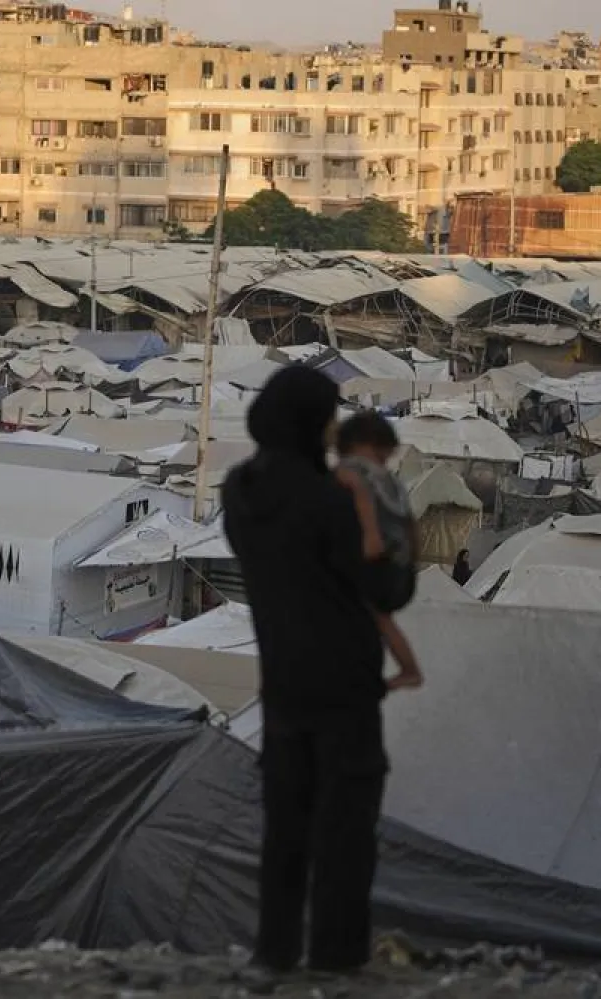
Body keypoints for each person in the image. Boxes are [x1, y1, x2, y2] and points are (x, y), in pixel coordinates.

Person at [221, 366, 422, 980]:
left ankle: (274, 954)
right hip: (344, 691)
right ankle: (336, 962)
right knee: (344, 836)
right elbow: (385, 590)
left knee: (286, 831)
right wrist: (389, 527)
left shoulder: (239, 492)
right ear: (311, 422)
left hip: (281, 684)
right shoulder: (331, 500)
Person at [331, 411, 422, 692]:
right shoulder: (393, 481)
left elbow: (360, 495)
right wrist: (413, 562)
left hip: (380, 562)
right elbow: (411, 524)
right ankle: (409, 670)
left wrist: (370, 536)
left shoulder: (353, 469)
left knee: (365, 612)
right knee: (381, 618)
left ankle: (409, 671)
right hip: (401, 570)